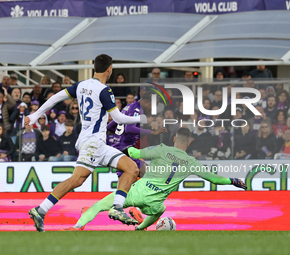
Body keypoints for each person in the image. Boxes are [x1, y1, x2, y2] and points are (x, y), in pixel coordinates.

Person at [27, 54, 147, 232]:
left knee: (131, 168)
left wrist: (35, 115)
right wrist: (141, 118)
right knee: (76, 180)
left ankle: (117, 207)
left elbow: (54, 99)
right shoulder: (104, 90)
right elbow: (118, 117)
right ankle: (40, 209)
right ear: (109, 69)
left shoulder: (81, 85)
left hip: (98, 143)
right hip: (92, 143)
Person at [66, 128, 247, 231]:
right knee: (161, 210)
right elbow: (213, 178)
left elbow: (134, 153)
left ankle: (77, 226)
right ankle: (140, 228)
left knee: (99, 205)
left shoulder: (162, 149)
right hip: (155, 201)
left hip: (136, 192)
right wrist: (232, 181)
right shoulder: (192, 162)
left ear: (175, 138)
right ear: (189, 142)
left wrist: (122, 149)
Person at [106, 90, 167, 177]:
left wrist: (120, 136)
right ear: (147, 102)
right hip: (125, 150)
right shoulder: (136, 109)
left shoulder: (128, 106)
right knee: (150, 175)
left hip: (119, 149)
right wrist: (152, 132)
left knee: (127, 184)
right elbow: (129, 128)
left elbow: (110, 127)